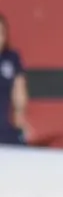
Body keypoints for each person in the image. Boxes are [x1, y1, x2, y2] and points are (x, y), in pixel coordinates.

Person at [0, 13, 29, 146]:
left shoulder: (11, 58)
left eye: (1, 33)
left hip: (5, 131)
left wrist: (21, 123)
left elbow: (19, 98)